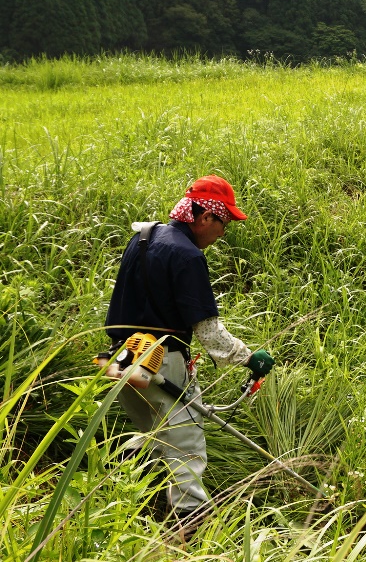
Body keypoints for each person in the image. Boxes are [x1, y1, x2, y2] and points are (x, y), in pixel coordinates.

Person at [104, 175, 275, 533]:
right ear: (204, 218)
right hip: (158, 360)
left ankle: (122, 501)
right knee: (186, 446)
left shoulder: (144, 238)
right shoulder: (187, 256)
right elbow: (209, 333)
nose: (223, 232)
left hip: (119, 357)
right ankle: (192, 530)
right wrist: (249, 358)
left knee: (152, 434)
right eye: (224, 222)